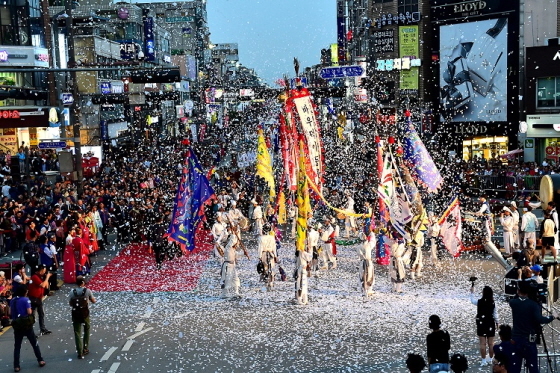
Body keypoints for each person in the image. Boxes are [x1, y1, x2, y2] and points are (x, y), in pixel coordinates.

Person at [508, 281, 557, 373]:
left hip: (515, 339)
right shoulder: (533, 305)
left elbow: (514, 298)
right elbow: (540, 319)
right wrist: (553, 316)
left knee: (515, 368)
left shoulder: (513, 303)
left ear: (519, 291)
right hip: (528, 341)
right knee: (533, 368)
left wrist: (519, 292)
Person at [10, 284, 46, 371]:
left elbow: (11, 312)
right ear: (25, 292)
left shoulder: (13, 300)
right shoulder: (26, 300)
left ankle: (16, 366)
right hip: (26, 324)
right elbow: (29, 312)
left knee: (17, 346)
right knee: (34, 343)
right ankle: (40, 360)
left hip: (17, 325)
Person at [470, 285, 499, 366]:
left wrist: (472, 292)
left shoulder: (479, 302)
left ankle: (483, 360)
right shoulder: (492, 303)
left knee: (482, 343)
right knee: (491, 343)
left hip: (481, 323)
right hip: (490, 323)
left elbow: (472, 301)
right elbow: (495, 314)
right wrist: (497, 323)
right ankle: (490, 358)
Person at [69, 276, 96, 359]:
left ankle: (79, 351)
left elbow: (70, 303)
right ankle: (85, 348)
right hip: (85, 314)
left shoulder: (72, 292)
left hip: (75, 314)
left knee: (77, 332)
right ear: (83, 283)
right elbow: (93, 301)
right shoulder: (87, 291)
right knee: (86, 330)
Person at [28, 264, 52, 335]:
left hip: (39, 298)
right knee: (32, 315)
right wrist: (47, 278)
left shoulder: (41, 277)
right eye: (43, 271)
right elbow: (43, 285)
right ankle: (30, 331)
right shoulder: (35, 277)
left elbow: (46, 286)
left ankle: (43, 329)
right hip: (33, 298)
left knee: (41, 314)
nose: (44, 272)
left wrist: (46, 278)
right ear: (40, 270)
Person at [220, 224, 241, 298]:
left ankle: (236, 292)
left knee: (235, 278)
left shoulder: (232, 249)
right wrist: (233, 233)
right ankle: (224, 294)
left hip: (233, 265)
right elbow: (233, 240)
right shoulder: (228, 247)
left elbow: (238, 254)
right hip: (227, 266)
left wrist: (244, 253)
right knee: (226, 280)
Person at [257, 224, 277, 290]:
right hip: (271, 254)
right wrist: (276, 256)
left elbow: (260, 248)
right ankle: (271, 282)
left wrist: (259, 257)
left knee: (265, 269)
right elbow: (274, 248)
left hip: (264, 254)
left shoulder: (261, 238)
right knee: (271, 268)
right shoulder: (272, 237)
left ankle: (266, 282)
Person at [358, 231, 375, 298]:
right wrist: (372, 234)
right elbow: (373, 241)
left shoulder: (359, 246)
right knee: (367, 276)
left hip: (364, 262)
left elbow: (360, 254)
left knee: (365, 276)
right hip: (366, 262)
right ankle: (367, 289)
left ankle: (366, 289)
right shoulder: (368, 245)